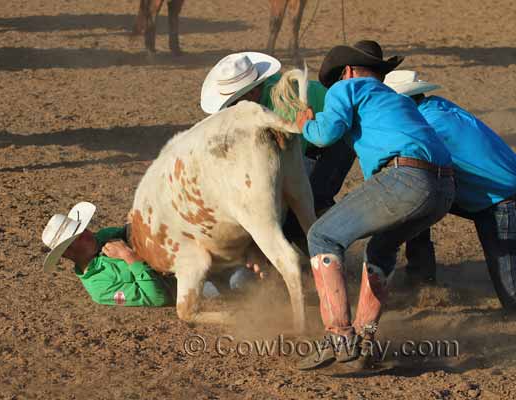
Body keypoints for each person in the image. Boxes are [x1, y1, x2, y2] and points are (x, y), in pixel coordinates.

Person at [292, 40, 455, 371]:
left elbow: (324, 135)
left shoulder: (348, 88)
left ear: (348, 71)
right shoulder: (396, 100)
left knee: (322, 236)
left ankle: (338, 337)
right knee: (381, 250)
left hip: (404, 178)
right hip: (444, 188)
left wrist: (305, 124)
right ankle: (365, 343)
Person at [200, 52, 356, 287]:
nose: (231, 108)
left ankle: (335, 272)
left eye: (233, 102)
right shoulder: (261, 104)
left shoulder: (283, 102)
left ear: (252, 92)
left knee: (306, 202)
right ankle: (319, 267)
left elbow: (293, 164)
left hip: (336, 140)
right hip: (312, 142)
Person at [384, 70, 516, 311]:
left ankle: (421, 276)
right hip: (494, 188)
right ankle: (420, 278)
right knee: (416, 202)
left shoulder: (427, 125)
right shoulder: (437, 107)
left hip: (500, 197)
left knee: (511, 290)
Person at [42, 202, 173, 307]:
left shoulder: (103, 236)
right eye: (79, 237)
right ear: (68, 252)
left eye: (84, 229)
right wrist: (130, 258)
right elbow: (158, 298)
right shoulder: (100, 288)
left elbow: (131, 231)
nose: (89, 234)